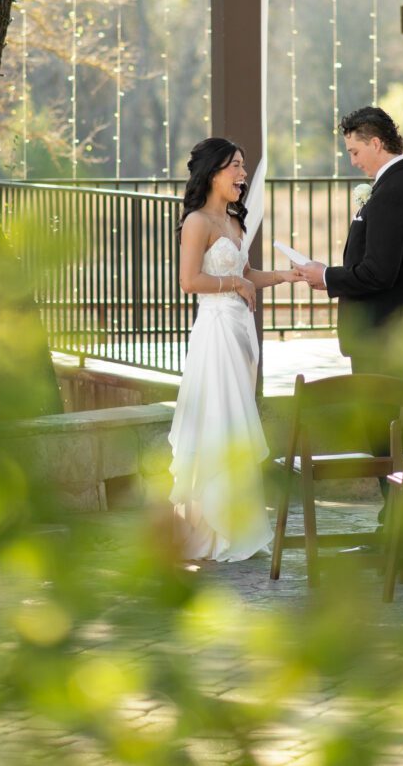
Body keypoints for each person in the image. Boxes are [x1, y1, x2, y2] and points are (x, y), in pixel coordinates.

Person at [168, 137, 300, 562]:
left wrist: (283, 276)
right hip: (216, 334)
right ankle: (212, 528)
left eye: (243, 167)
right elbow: (190, 282)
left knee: (239, 423)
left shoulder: (233, 221)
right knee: (219, 422)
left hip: (241, 334)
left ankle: (239, 522)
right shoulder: (197, 223)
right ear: (212, 172)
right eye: (236, 167)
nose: (244, 175)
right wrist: (235, 284)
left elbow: (245, 272)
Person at [299, 106, 403, 379]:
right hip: (392, 333)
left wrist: (326, 276)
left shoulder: (392, 193)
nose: (353, 162)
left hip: (380, 337)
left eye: (354, 152)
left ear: (376, 143)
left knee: (380, 420)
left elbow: (379, 273)